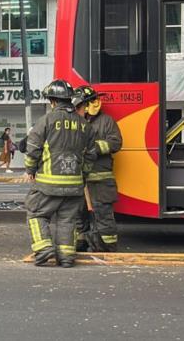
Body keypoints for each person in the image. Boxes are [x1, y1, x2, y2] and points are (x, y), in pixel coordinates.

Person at [23, 80, 97, 267]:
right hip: (74, 186)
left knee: (36, 214)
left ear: (53, 101)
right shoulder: (84, 124)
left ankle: (44, 248)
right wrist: (83, 176)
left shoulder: (46, 121)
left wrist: (30, 170)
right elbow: (90, 155)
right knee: (67, 220)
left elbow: (33, 148)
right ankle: (66, 257)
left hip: (48, 184)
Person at [73, 85, 123, 253]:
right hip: (79, 180)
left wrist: (93, 147)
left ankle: (107, 247)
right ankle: (81, 243)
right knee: (78, 215)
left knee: (103, 216)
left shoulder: (106, 121)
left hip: (100, 181)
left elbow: (116, 143)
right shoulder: (75, 121)